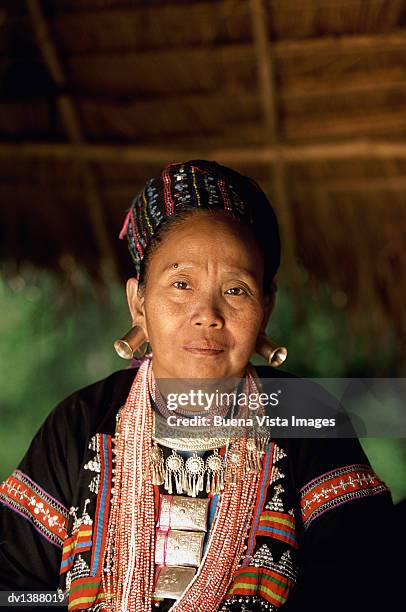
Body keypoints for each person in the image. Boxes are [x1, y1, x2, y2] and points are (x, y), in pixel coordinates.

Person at [0, 161, 394, 611]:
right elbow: (12, 585)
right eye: (181, 284)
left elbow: (365, 576)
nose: (207, 313)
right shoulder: (79, 423)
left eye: (236, 290)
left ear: (266, 308)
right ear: (138, 303)